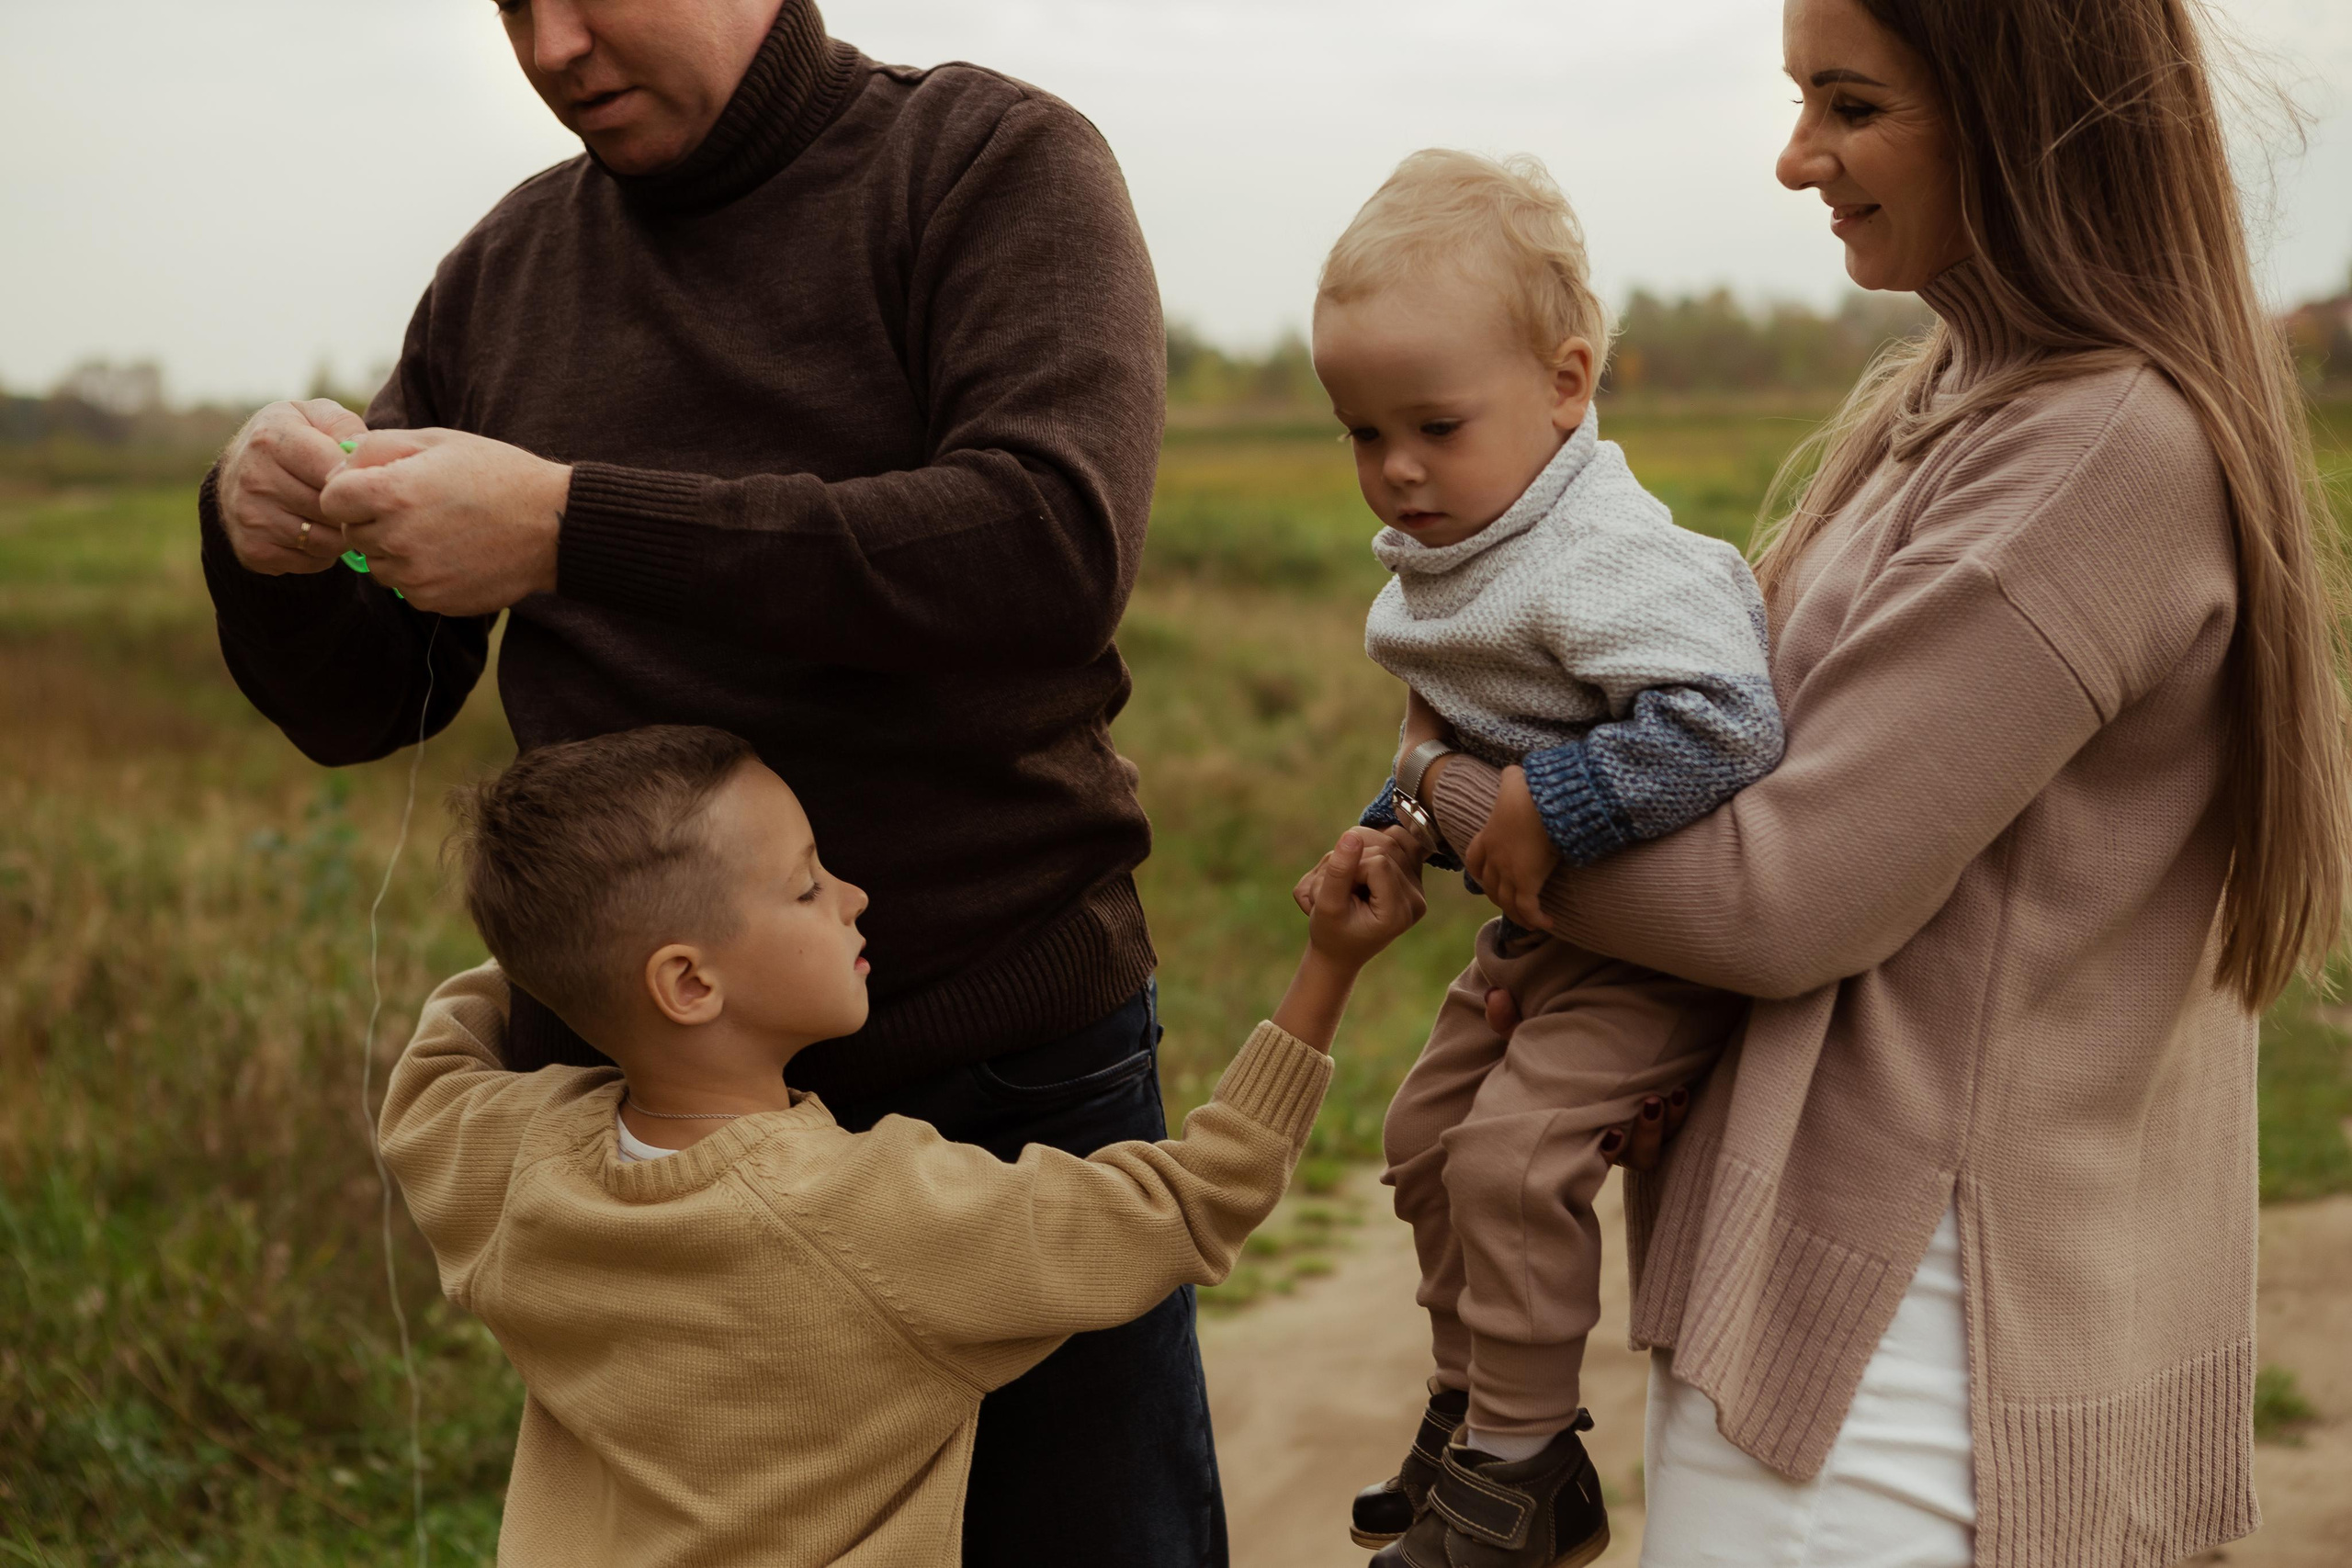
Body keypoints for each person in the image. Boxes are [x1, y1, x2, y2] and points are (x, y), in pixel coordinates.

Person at [194, 2, 1210, 1559]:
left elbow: (1048, 545)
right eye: (511, 6)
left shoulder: (991, 165)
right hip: (645, 1152)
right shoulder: (502, 274)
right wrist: (263, 542)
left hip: (1001, 1083)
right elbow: (368, 701)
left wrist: (570, 527)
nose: (552, 46)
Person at [1394, 0, 2352, 1563]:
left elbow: (1778, 897)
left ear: (2017, 112)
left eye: (1849, 106)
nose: (1797, 159)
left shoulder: (2099, 453)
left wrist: (1449, 785)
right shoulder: (1950, 402)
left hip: (1905, 1367)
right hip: (1849, 1324)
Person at [381, 724, 1427, 1565]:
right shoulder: (871, 1219)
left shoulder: (512, 1158)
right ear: (689, 982)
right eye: (807, 885)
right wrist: (1329, 964)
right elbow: (1192, 1201)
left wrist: (569, 943)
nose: (855, 895)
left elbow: (434, 1064)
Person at [1299, 150, 1782, 1568]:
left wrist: (1556, 800)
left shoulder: (1606, 555)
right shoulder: (1472, 546)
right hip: (1538, 940)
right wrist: (1394, 824)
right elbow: (1468, 734)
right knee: (1424, 1141)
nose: (1395, 467)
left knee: (1512, 1163)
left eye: (1434, 424)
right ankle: (1472, 1416)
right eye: (1361, 431)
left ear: (1567, 383)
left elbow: (1728, 720)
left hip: (1651, 953)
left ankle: (1526, 1473)